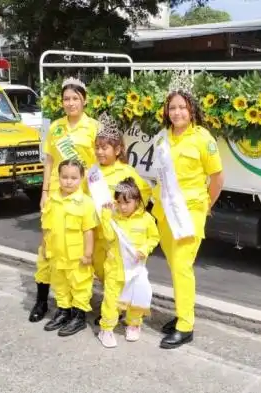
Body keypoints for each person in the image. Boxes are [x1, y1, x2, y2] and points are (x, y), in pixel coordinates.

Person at [151, 73, 225, 349]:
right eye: (172, 108)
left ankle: (186, 325)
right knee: (174, 266)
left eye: (182, 107)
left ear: (191, 109)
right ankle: (182, 313)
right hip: (163, 212)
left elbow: (217, 178)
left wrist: (206, 205)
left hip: (189, 213)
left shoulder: (203, 139)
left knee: (182, 267)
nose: (177, 112)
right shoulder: (162, 139)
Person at [28, 77, 99, 323]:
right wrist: (45, 191)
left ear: (84, 100)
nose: (70, 103)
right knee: (48, 249)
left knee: (78, 253)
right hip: (57, 195)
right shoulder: (56, 127)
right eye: (66, 99)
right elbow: (49, 161)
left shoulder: (93, 127)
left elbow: (99, 164)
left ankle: (76, 306)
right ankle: (43, 301)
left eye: (75, 98)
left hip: (82, 196)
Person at [87, 113, 151, 291]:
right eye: (97, 147)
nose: (99, 152)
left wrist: (129, 212)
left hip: (117, 233)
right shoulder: (92, 172)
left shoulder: (126, 172)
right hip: (96, 230)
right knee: (99, 267)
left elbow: (144, 193)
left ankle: (114, 305)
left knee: (115, 271)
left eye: (104, 147)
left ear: (117, 150)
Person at [93, 177, 159, 348]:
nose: (122, 207)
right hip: (114, 269)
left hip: (136, 269)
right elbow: (108, 237)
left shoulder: (146, 219)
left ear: (137, 201)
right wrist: (106, 216)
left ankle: (133, 324)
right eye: (119, 202)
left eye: (127, 202)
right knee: (111, 300)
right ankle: (106, 329)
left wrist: (144, 250)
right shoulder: (113, 218)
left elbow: (154, 238)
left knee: (135, 298)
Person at [40, 159, 97, 336]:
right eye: (64, 177)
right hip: (56, 252)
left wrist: (88, 254)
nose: (69, 181)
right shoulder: (52, 200)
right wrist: (44, 246)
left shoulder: (86, 202)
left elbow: (89, 230)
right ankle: (63, 311)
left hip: (77, 255)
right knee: (60, 284)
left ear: (81, 178)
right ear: (59, 177)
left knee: (80, 285)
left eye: (74, 177)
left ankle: (78, 317)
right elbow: (46, 226)